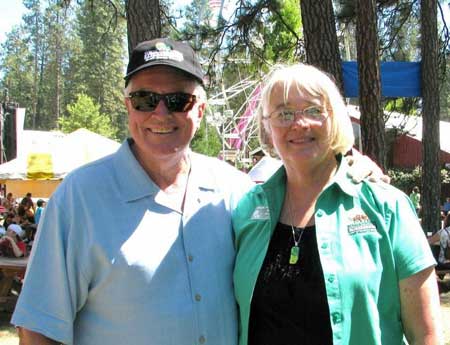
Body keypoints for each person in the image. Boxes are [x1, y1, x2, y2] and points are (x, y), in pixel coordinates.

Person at [12, 39, 387, 345]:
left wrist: (347, 164)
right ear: (128, 106)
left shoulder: (236, 192)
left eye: (178, 100)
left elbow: (303, 193)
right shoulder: (80, 198)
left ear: (202, 110)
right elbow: (39, 328)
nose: (161, 113)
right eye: (145, 100)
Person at [232, 64, 441, 345]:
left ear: (335, 118)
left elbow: (426, 334)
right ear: (268, 128)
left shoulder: (386, 207)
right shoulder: (246, 211)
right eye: (284, 113)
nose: (299, 123)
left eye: (314, 110)